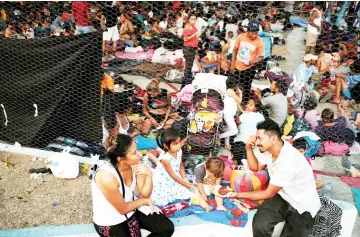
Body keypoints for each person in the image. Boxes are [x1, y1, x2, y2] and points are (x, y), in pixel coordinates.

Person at [227, 119, 321, 237]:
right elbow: (255, 167)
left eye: (260, 138)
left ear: (273, 139)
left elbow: (268, 194)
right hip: (283, 196)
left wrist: (237, 195)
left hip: (302, 205)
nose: (256, 142)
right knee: (260, 225)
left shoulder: (288, 160)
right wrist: (248, 148)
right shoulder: (269, 151)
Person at [92, 134, 174, 237]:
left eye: (137, 150)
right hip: (111, 221)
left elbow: (145, 193)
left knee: (166, 228)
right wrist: (143, 201)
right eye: (134, 153)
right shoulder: (106, 176)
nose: (139, 154)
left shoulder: (135, 163)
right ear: (120, 159)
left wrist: (148, 175)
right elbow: (123, 209)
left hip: (131, 209)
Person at [151, 128, 194, 206]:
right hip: (165, 180)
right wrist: (185, 184)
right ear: (166, 146)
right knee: (164, 198)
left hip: (176, 176)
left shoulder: (179, 151)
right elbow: (172, 175)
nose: (178, 146)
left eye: (179, 142)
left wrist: (185, 178)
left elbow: (180, 165)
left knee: (189, 191)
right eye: (175, 144)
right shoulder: (165, 158)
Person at [230, 20, 264, 104]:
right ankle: (232, 101)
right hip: (237, 66)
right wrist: (232, 63)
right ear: (247, 31)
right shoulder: (241, 37)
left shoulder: (259, 42)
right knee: (233, 84)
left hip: (249, 69)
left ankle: (244, 103)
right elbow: (234, 50)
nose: (255, 35)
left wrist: (252, 62)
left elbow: (261, 57)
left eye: (256, 33)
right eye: (253, 33)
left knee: (247, 87)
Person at [219, 77, 243, 150]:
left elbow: (236, 103)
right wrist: (240, 93)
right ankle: (218, 137)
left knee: (228, 130)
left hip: (230, 114)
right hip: (228, 114)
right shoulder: (230, 91)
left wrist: (242, 110)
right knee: (234, 131)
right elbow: (239, 101)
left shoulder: (231, 92)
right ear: (235, 85)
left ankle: (227, 145)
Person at [182, 14, 199, 86]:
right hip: (188, 48)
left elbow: (195, 35)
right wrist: (195, 34)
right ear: (188, 20)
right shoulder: (187, 27)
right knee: (189, 65)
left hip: (192, 48)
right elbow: (185, 39)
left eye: (195, 19)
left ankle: (187, 79)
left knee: (190, 64)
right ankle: (186, 82)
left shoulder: (193, 26)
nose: (193, 21)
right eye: (192, 19)